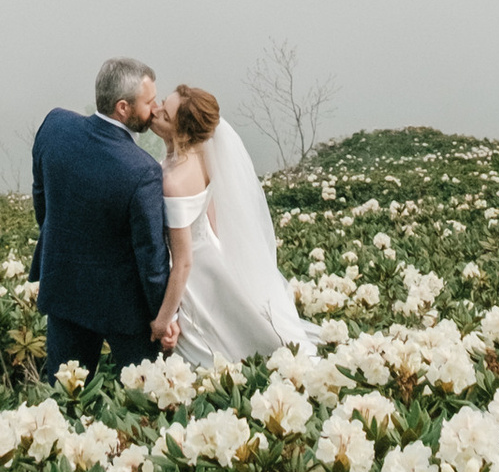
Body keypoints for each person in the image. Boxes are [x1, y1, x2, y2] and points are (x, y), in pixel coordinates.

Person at [30, 58, 186, 377]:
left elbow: (41, 196)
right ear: (123, 108)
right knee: (145, 399)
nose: (155, 108)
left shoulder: (55, 125)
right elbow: (151, 256)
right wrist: (163, 316)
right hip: (124, 309)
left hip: (65, 290)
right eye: (148, 102)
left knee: (65, 396)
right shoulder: (142, 170)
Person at [151, 83, 316, 366]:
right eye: (162, 103)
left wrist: (162, 320)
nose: (154, 111)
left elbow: (184, 262)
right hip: (212, 257)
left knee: (214, 352)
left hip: (194, 275)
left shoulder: (174, 181)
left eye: (165, 114)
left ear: (184, 132)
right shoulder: (202, 156)